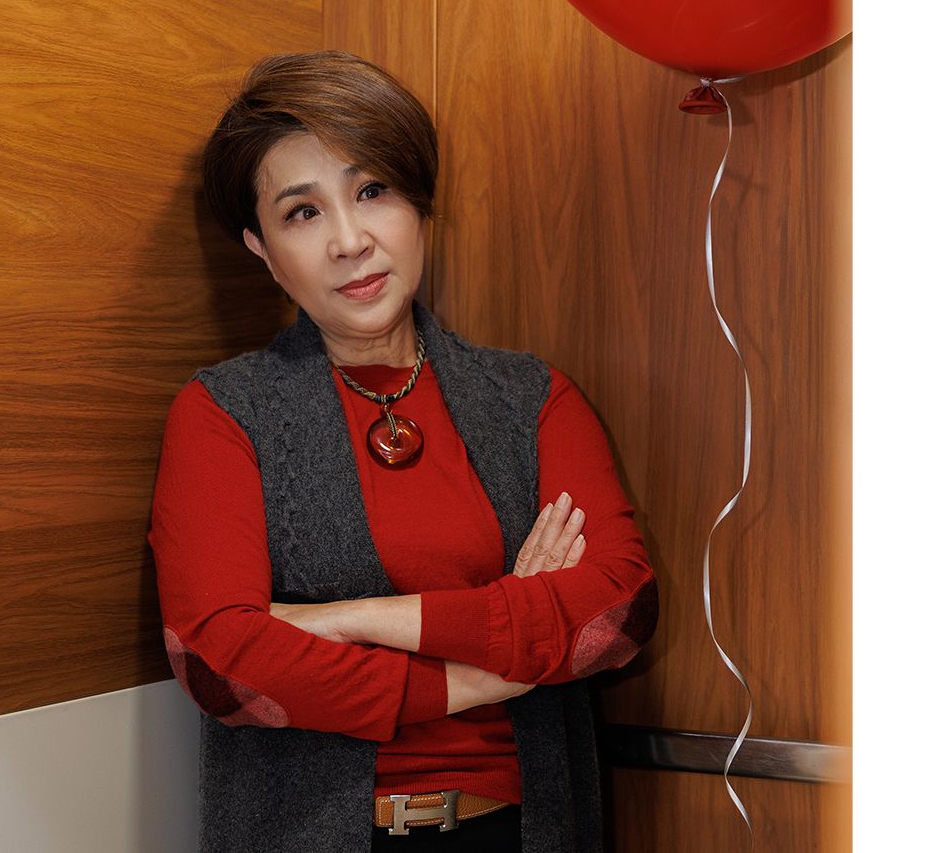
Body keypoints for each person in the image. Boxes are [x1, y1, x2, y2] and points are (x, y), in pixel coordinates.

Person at [148, 51, 658, 852]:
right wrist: (489, 668)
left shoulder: (531, 399)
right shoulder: (226, 414)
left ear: (419, 206)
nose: (350, 241)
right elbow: (221, 663)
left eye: (372, 191)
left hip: (526, 833)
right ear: (262, 249)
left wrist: (351, 620)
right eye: (302, 213)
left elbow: (616, 615)